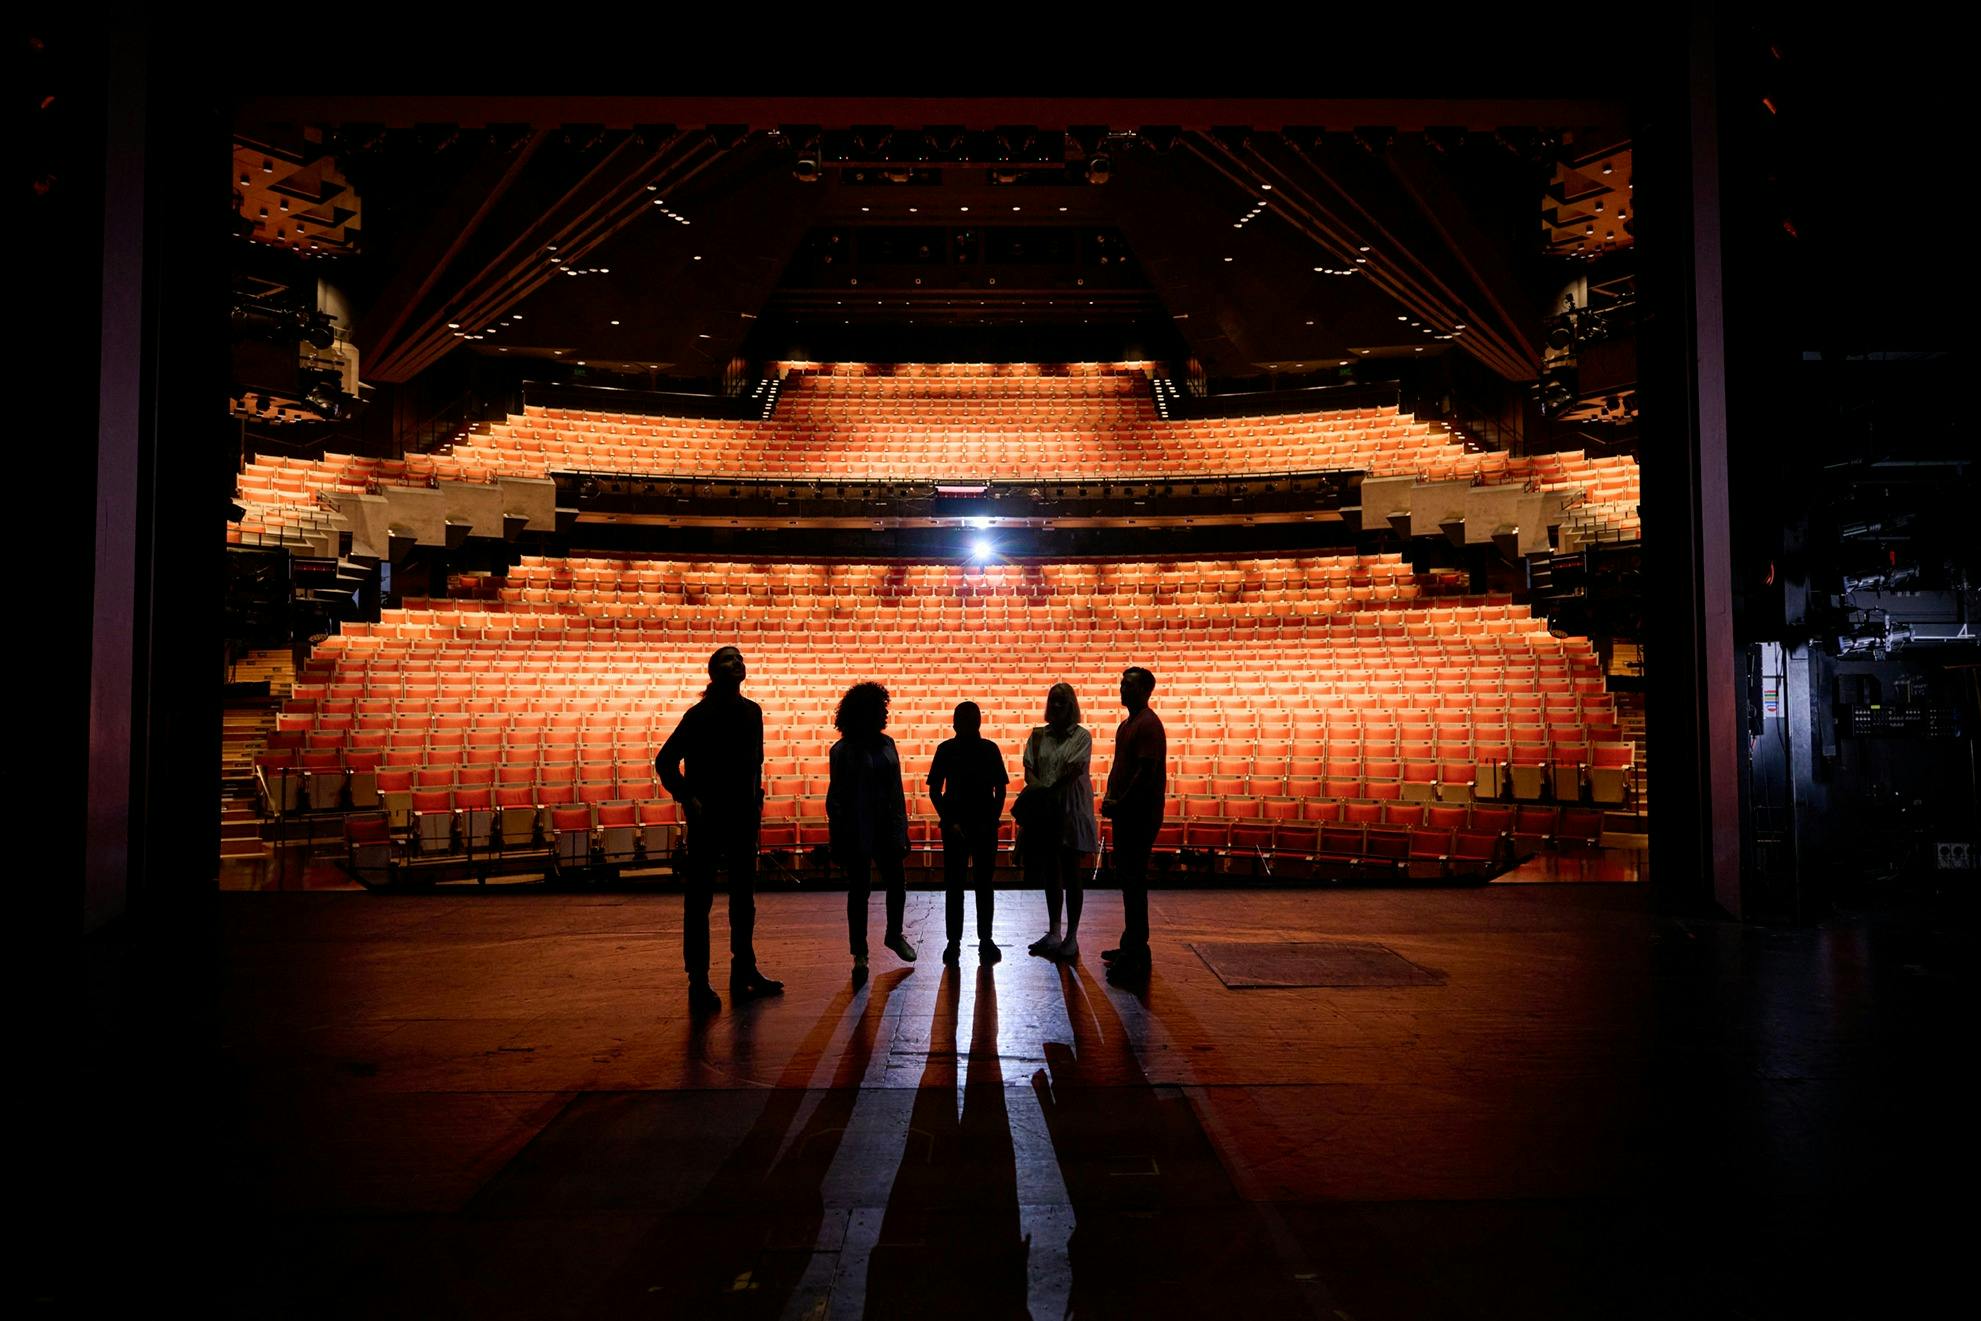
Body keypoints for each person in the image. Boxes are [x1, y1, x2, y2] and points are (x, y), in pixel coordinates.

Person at [655, 645, 782, 1014]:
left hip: (743, 815)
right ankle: (699, 979)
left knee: (745, 900)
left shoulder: (752, 713)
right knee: (700, 901)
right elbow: (665, 761)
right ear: (713, 672)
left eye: (739, 658)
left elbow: (755, 762)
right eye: (728, 659)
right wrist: (687, 798)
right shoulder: (698, 716)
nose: (736, 663)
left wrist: (756, 798)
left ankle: (744, 968)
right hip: (708, 817)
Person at [827, 681, 916, 985]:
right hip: (857, 828)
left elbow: (897, 788)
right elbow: (835, 797)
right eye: (880, 710)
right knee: (859, 891)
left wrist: (902, 828)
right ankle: (860, 953)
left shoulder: (888, 744)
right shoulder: (842, 751)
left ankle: (894, 934)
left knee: (897, 883)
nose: (884, 715)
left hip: (886, 825)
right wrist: (837, 836)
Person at [1020, 681, 1100, 962]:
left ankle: (1072, 936)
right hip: (1047, 809)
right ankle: (1054, 931)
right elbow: (1029, 768)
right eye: (1052, 700)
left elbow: (1072, 772)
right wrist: (1041, 793)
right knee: (1051, 871)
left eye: (1061, 702)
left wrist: (1046, 791)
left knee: (1072, 872)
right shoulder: (1038, 736)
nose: (1055, 706)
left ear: (1071, 706)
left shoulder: (1082, 737)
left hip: (1070, 809)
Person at [927, 701, 1009, 965]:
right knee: (982, 885)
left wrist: (949, 820)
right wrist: (992, 818)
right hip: (979, 824)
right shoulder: (989, 749)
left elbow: (935, 791)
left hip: (958, 825)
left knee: (956, 886)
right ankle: (984, 940)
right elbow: (1000, 790)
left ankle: (955, 943)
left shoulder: (946, 749)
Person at [1101, 666, 1167, 985]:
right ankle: (1131, 945)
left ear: (1144, 690)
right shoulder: (1126, 725)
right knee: (1129, 881)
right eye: (1121, 683)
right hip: (1126, 813)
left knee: (1135, 883)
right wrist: (1110, 796)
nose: (1121, 689)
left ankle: (1137, 954)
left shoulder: (1148, 725)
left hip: (1139, 815)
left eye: (1127, 685)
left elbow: (1145, 773)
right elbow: (1120, 767)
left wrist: (1120, 802)